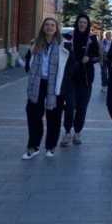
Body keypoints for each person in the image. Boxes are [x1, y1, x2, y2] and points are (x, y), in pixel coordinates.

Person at [23, 17, 69, 160]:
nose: (49, 27)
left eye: (52, 25)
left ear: (56, 28)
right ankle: (33, 146)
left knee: (54, 117)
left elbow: (69, 66)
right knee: (34, 115)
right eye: (47, 25)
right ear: (43, 27)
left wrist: (64, 85)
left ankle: (51, 146)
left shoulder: (64, 45)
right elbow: (28, 61)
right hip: (37, 83)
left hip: (55, 85)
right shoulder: (35, 43)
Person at [60, 14, 100, 147]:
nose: (82, 24)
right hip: (70, 78)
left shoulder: (92, 38)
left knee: (82, 108)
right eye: (80, 22)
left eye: (85, 22)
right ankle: (67, 132)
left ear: (87, 25)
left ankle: (77, 132)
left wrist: (90, 59)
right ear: (77, 23)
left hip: (86, 79)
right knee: (70, 106)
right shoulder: (69, 37)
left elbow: (97, 56)